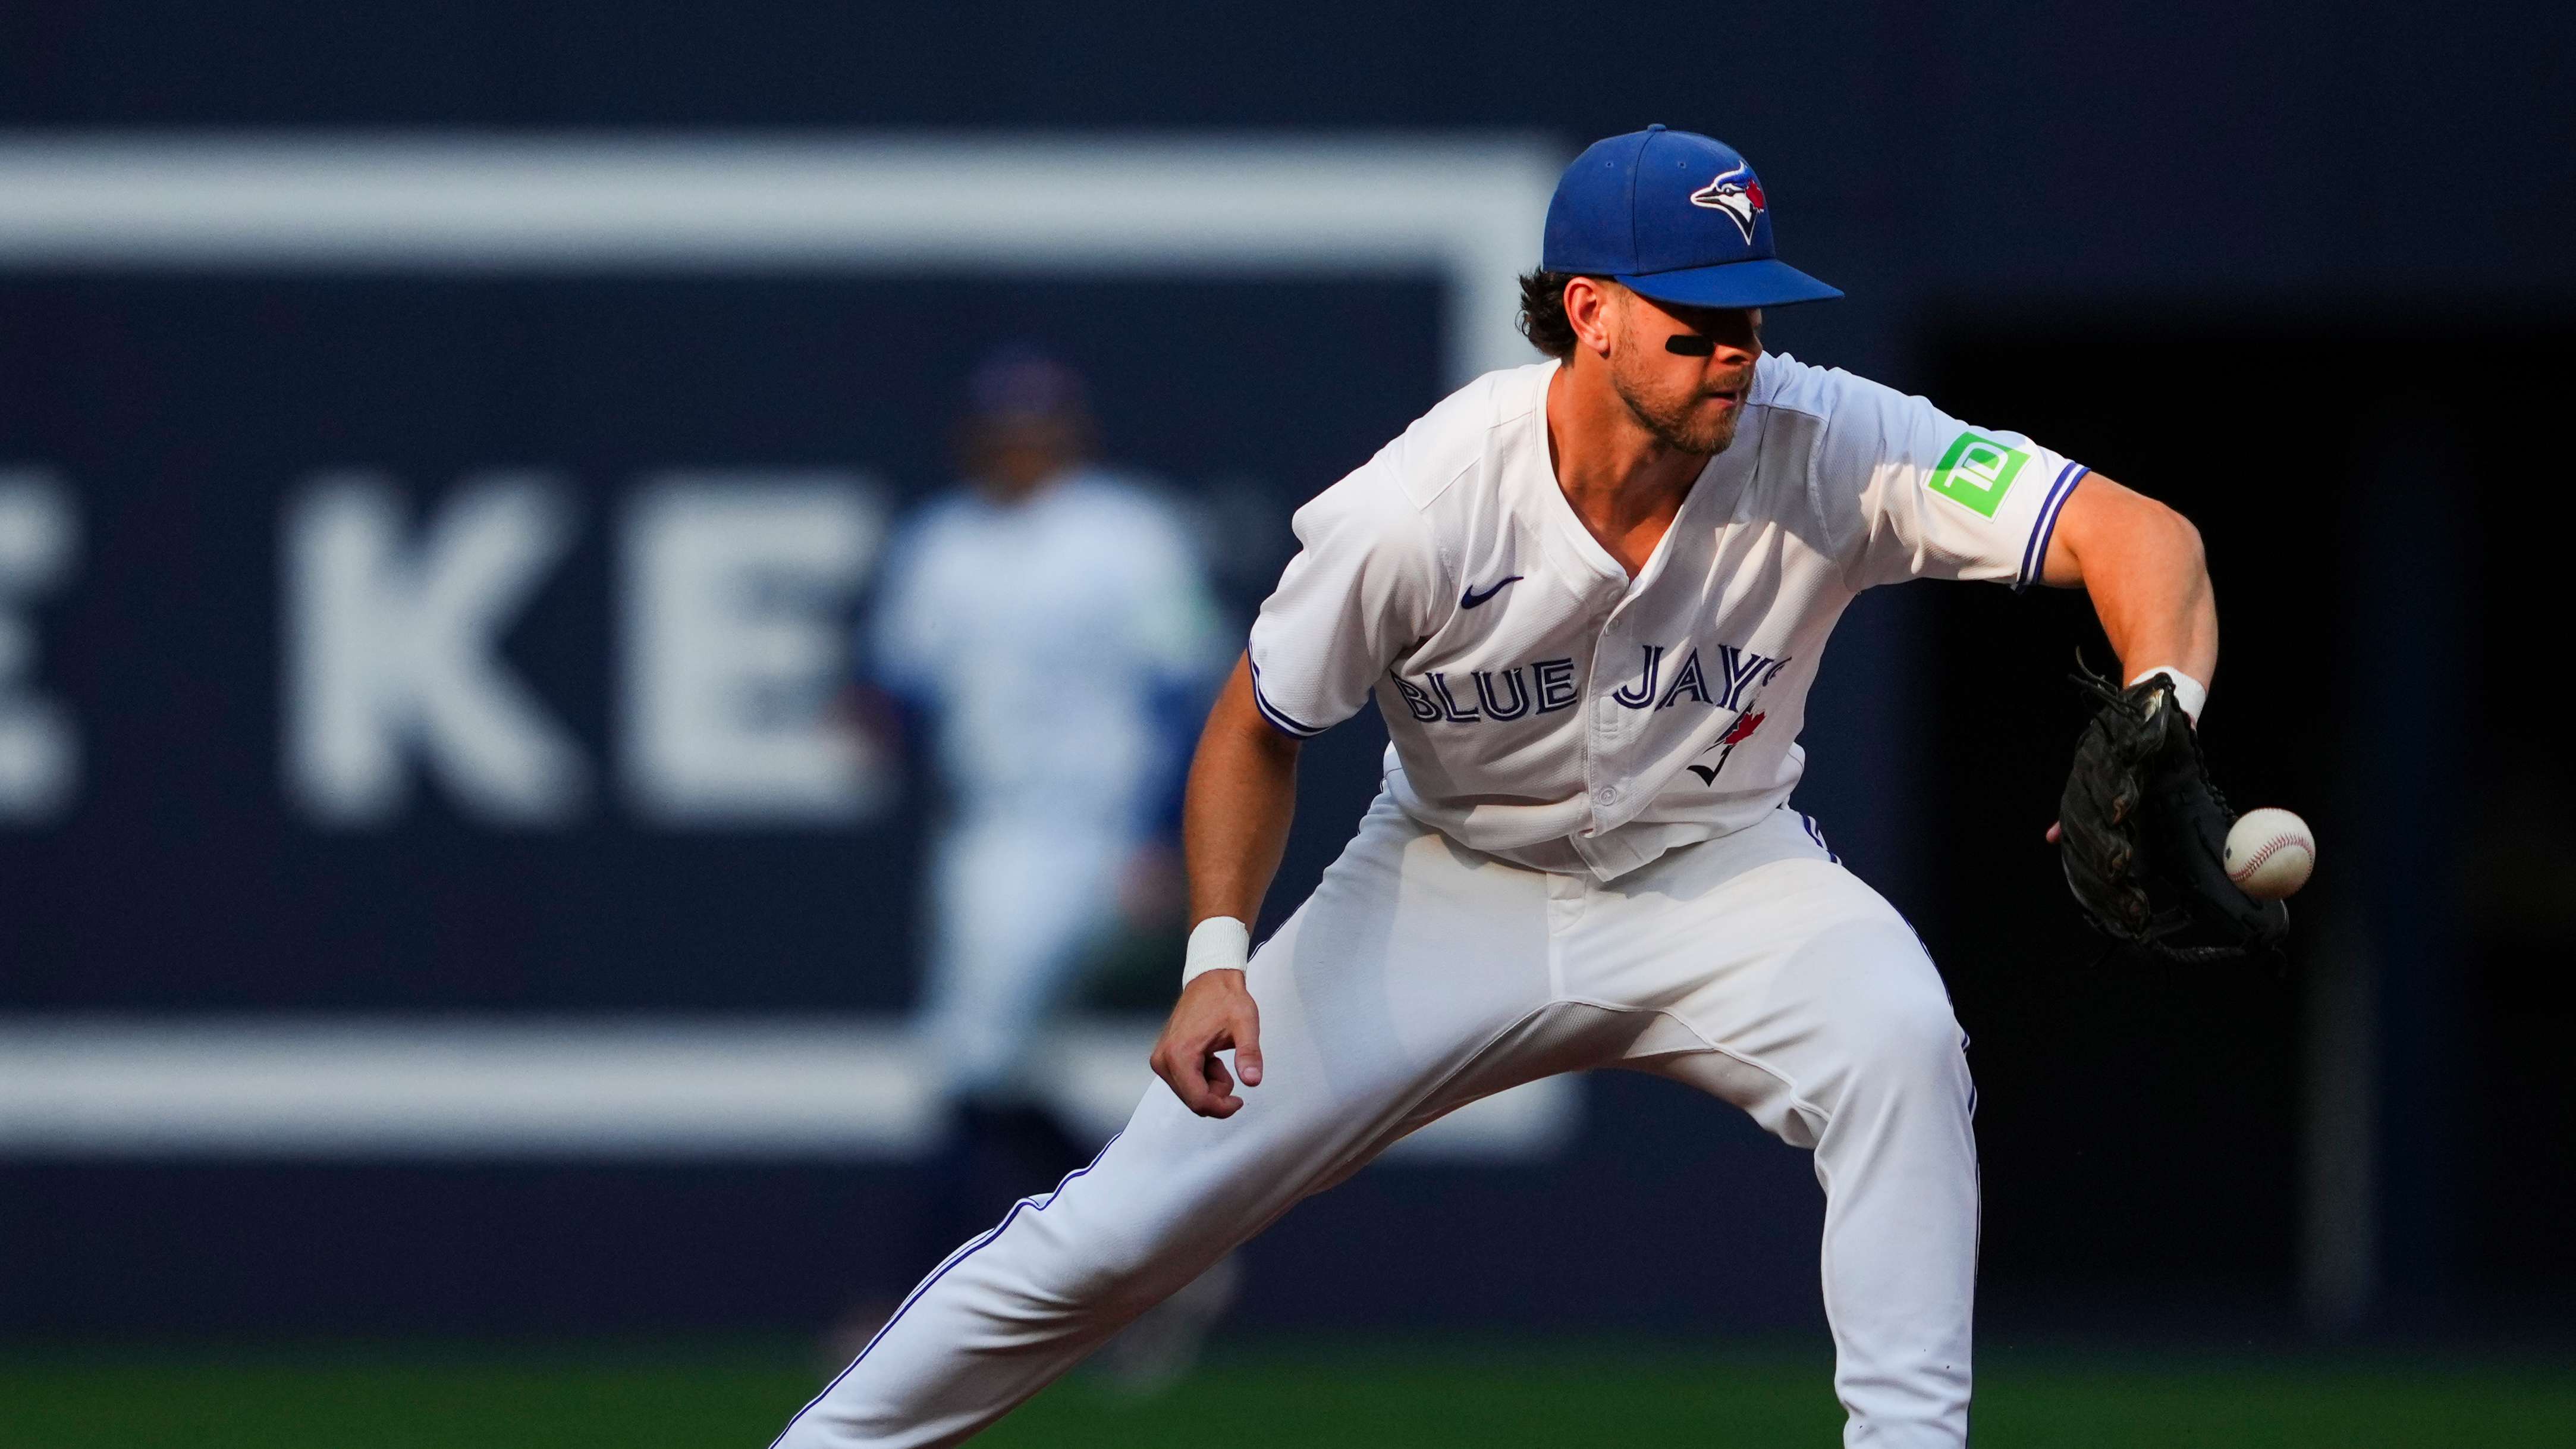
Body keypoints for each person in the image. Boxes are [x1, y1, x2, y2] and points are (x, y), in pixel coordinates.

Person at [781, 126, 2236, 1448]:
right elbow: (1256, 722)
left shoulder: (1828, 437)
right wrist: (1216, 954)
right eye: (1696, 322)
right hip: (1448, 881)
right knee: (1120, 1232)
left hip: (1722, 868)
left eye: (1752, 317)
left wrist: (2164, 702)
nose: (1736, 354)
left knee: (1901, 1039)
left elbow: (2140, 535)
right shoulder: (1420, 505)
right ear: (1589, 312)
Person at [853, 346, 1230, 1370]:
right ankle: (1164, 1252)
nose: (1021, 447)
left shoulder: (1126, 534)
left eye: (1038, 428)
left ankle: (909, 1307)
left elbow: (1188, 691)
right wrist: (874, 713)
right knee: (991, 1069)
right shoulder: (943, 543)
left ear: (1071, 434)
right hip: (985, 833)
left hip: (1093, 832)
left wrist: (1165, 836)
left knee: (972, 1064)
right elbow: (904, 682)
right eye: (1005, 430)